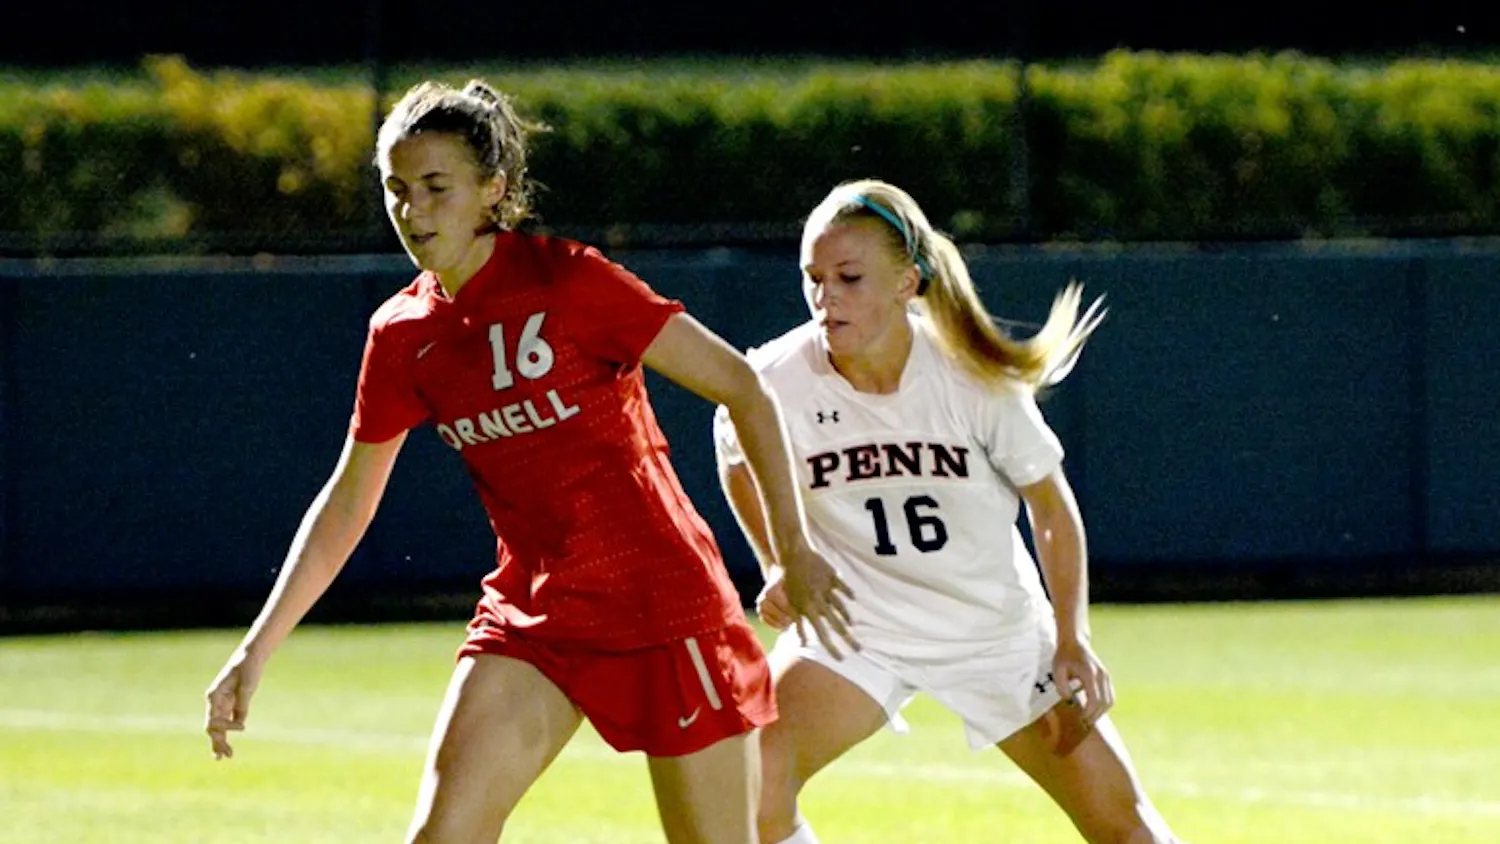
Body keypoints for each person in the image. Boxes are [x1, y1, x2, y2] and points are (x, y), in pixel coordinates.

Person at [203, 79, 856, 844]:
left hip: (661, 605)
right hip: (537, 613)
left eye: (436, 187)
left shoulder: (570, 281)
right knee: (442, 837)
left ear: (493, 188)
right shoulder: (403, 334)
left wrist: (792, 550)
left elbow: (743, 387)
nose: (413, 211)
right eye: (397, 189)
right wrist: (256, 648)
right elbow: (349, 499)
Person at [714, 179, 1187, 844]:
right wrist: (782, 560)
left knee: (1122, 824)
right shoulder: (774, 379)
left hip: (992, 628)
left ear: (907, 282)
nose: (825, 297)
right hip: (860, 625)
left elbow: (1051, 507)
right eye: (813, 278)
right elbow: (737, 453)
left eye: (849, 277)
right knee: (751, 787)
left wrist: (1071, 637)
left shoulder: (969, 376)